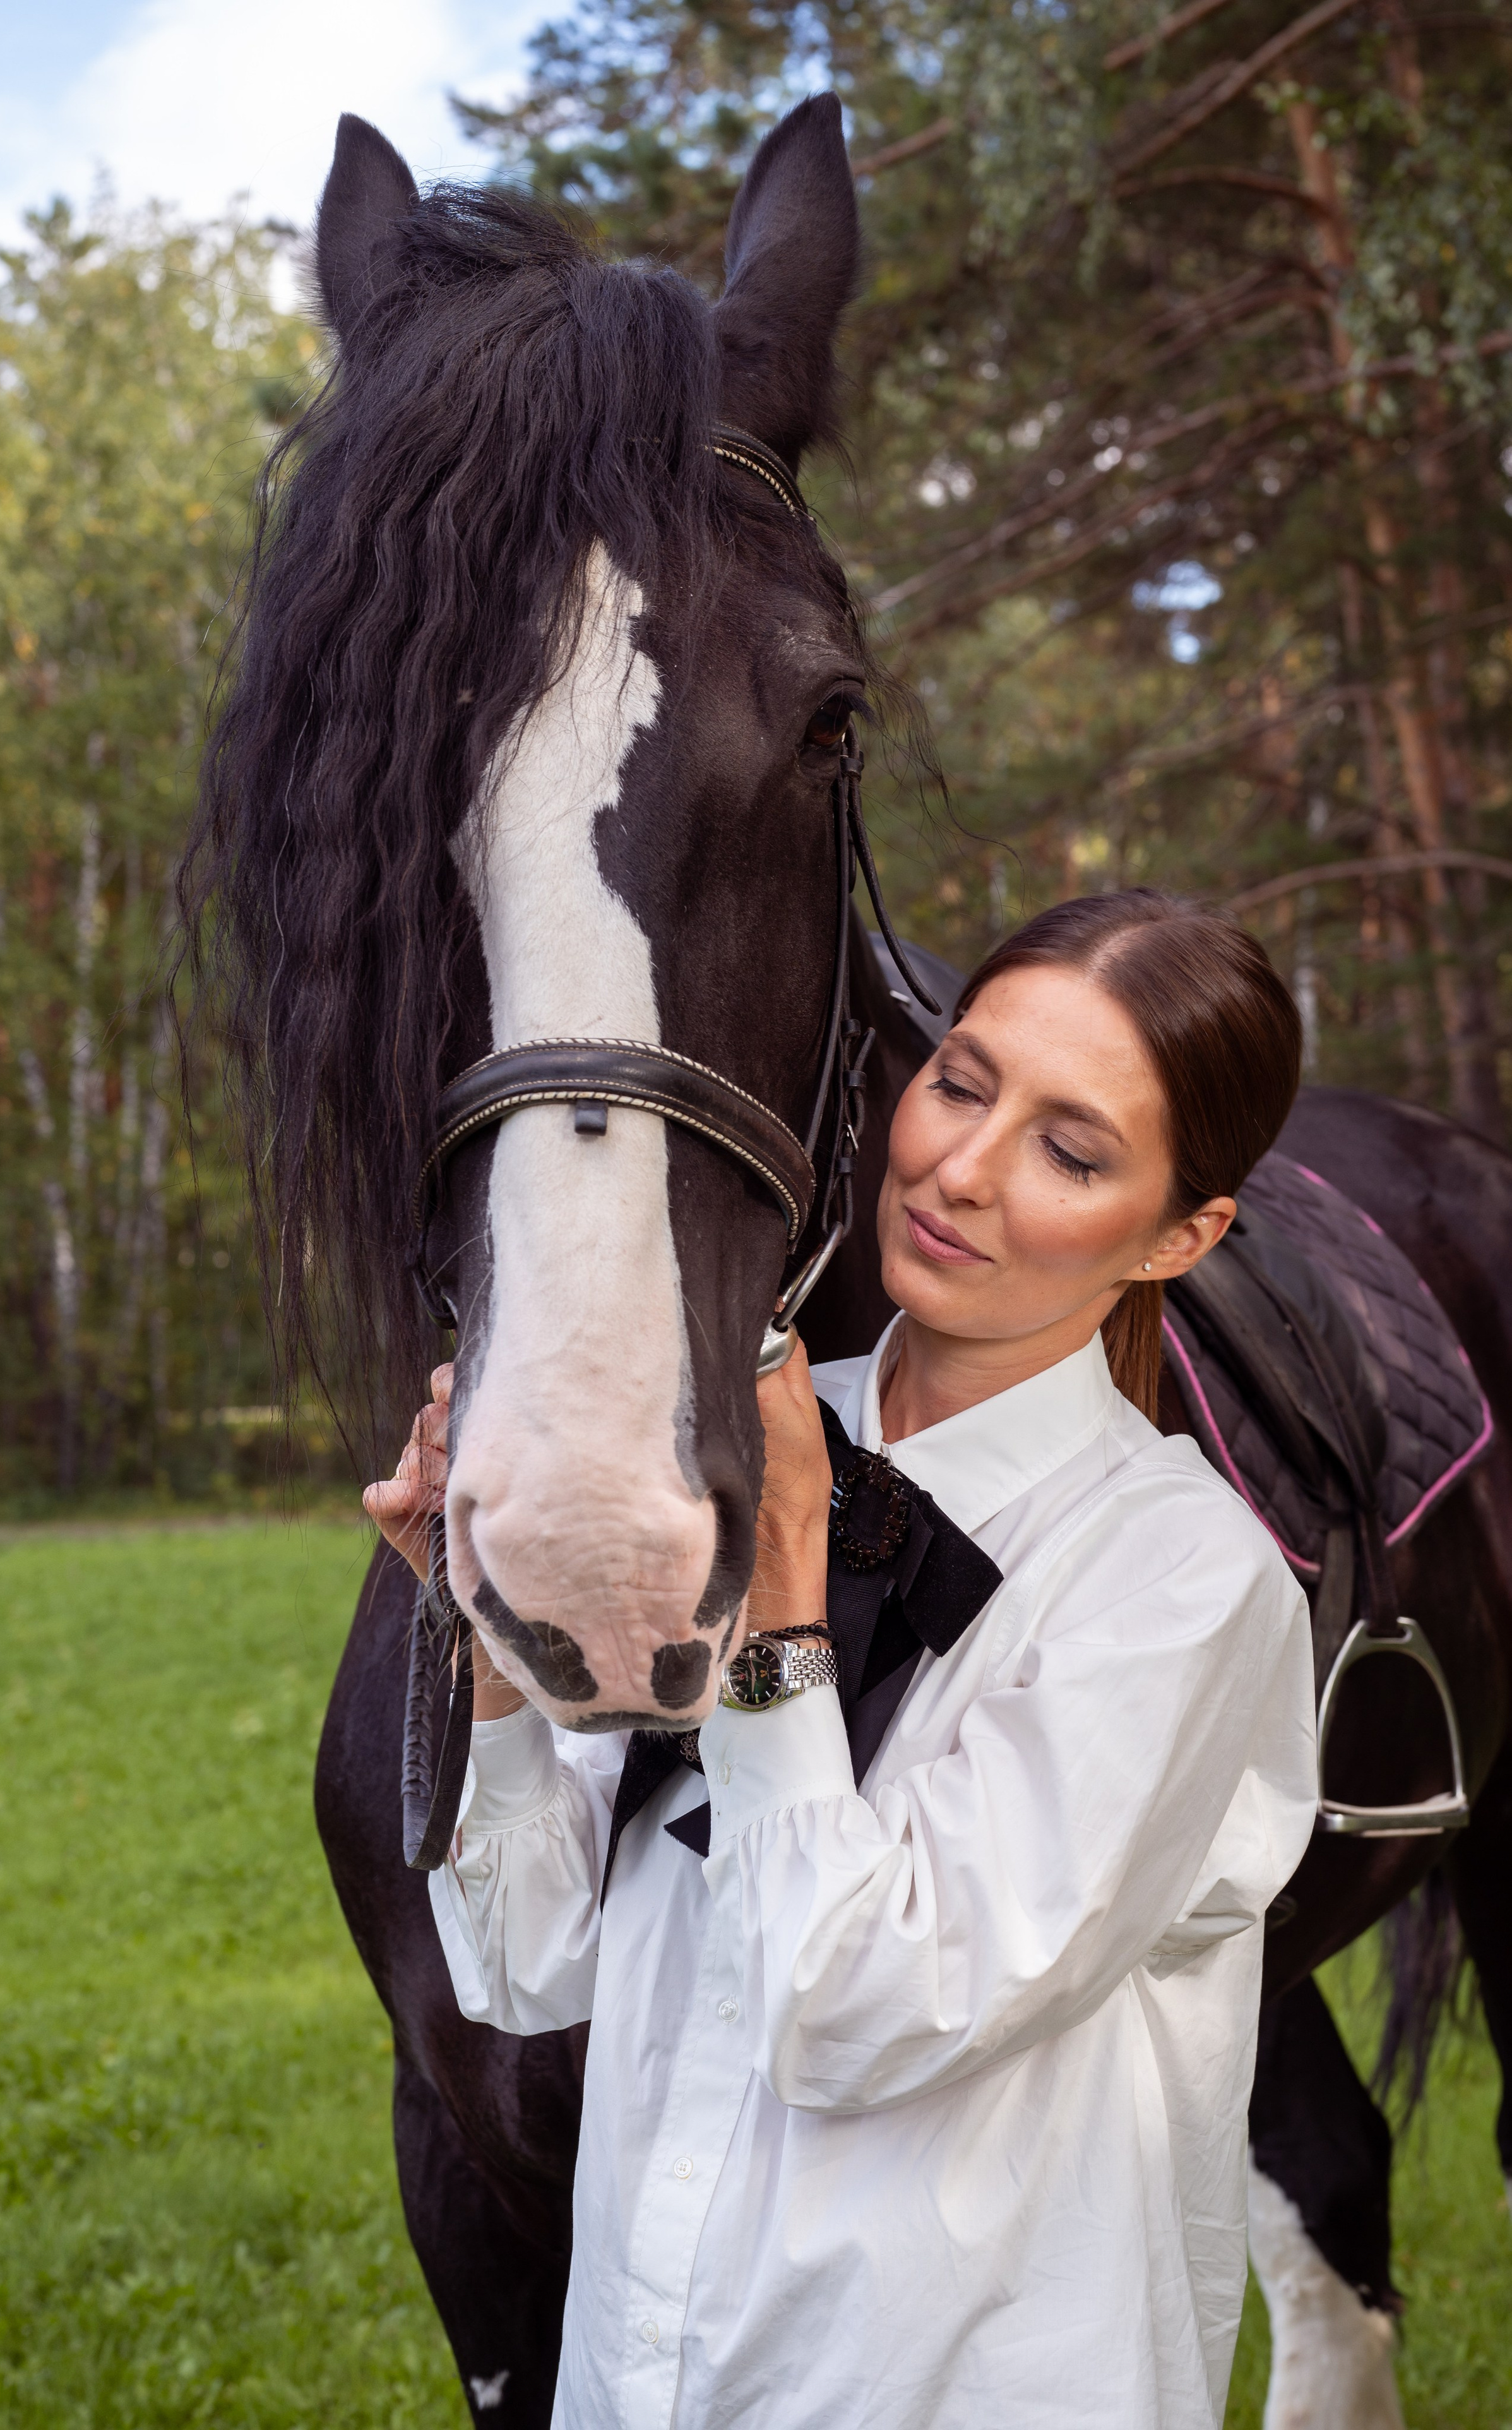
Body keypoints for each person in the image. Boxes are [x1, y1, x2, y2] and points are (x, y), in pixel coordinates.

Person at [367, 888, 1319, 2430]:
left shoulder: (1179, 1584)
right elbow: (526, 1964)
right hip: (649, 2373)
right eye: (959, 1081)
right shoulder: (736, 1444)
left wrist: (787, 1601)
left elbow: (848, 2011)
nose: (959, 1167)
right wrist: (480, 1629)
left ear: (1178, 1234)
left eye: (1069, 1152)